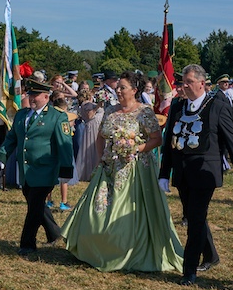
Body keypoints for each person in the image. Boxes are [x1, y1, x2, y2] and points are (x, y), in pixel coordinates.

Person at [62, 71, 183, 272]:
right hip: (109, 167)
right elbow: (100, 136)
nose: (118, 90)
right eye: (117, 87)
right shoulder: (110, 111)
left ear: (134, 90)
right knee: (97, 209)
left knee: (126, 211)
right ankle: (93, 247)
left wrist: (136, 149)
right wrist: (101, 157)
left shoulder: (144, 111)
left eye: (122, 87)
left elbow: (157, 139)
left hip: (136, 170)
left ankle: (128, 248)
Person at [158, 64, 233, 286]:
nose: (184, 86)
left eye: (188, 82)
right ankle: (211, 255)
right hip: (182, 171)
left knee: (195, 219)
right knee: (193, 215)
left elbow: (230, 139)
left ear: (202, 83)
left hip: (205, 172)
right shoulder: (179, 106)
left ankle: (189, 270)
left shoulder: (217, 105)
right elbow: (169, 141)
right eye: (183, 82)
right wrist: (164, 172)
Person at [0, 79, 74, 256]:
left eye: (35, 95)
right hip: (25, 171)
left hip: (45, 170)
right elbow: (12, 139)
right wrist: (2, 156)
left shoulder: (57, 116)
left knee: (34, 208)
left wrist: (66, 169)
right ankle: (54, 233)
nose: (31, 98)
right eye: (30, 94)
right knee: (36, 204)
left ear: (46, 96)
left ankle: (27, 243)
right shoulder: (21, 115)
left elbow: (64, 144)